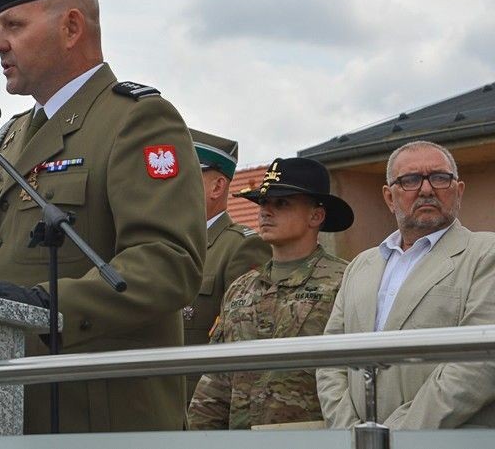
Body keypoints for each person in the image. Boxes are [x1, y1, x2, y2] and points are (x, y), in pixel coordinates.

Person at [0, 0, 206, 433]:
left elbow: (167, 264)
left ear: (71, 28)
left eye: (13, 25)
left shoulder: (136, 119)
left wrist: (42, 307)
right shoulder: (12, 135)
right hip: (9, 406)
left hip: (96, 412)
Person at [317, 140, 495, 428]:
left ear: (458, 191)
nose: (426, 189)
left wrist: (397, 435)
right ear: (389, 197)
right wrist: (350, 432)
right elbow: (331, 360)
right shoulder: (360, 266)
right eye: (410, 180)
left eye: (439, 177)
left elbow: (480, 363)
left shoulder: (485, 254)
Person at [188, 157, 351, 429]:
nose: (265, 211)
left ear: (316, 216)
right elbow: (215, 381)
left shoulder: (345, 282)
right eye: (263, 202)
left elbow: (355, 378)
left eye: (282, 203)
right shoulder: (242, 287)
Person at [183, 130, 270, 401]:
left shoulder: (240, 247)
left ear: (217, 187)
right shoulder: (164, 243)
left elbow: (243, 339)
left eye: (183, 176)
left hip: (201, 402)